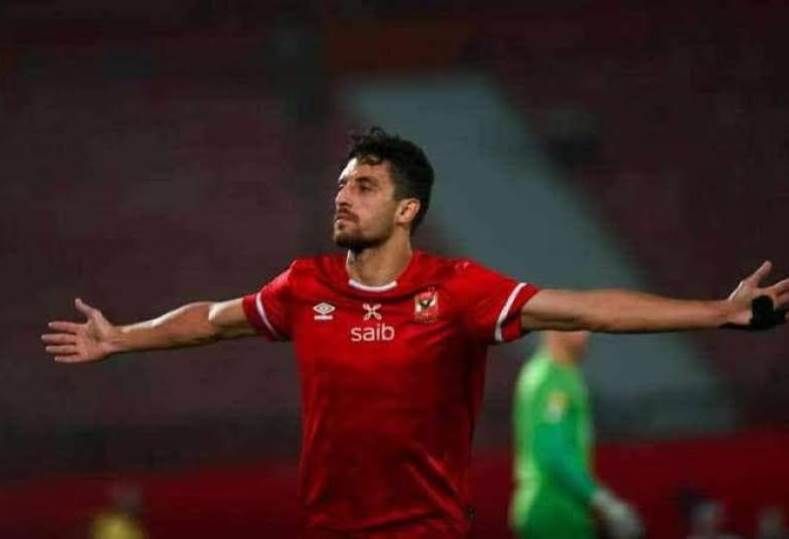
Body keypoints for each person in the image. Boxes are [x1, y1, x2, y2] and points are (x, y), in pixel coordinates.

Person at [42, 127, 787, 538]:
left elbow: (587, 309)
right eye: (341, 184)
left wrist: (715, 312)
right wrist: (122, 336)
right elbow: (212, 320)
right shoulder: (305, 285)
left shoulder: (457, 290)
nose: (343, 197)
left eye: (363, 186)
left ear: (407, 210)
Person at [510, 331, 642, 539]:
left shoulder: (562, 374)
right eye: (575, 326)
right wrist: (602, 502)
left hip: (567, 510)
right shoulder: (549, 379)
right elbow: (554, 453)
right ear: (552, 330)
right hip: (554, 512)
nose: (585, 333)